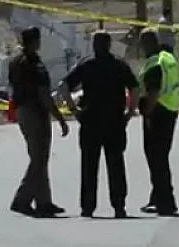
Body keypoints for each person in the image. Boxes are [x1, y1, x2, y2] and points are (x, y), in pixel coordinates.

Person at [57, 31, 138, 219]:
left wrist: (74, 110)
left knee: (89, 165)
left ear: (94, 45)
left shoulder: (87, 64)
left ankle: (88, 206)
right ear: (109, 45)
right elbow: (134, 87)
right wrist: (130, 111)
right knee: (116, 164)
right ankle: (119, 205)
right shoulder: (118, 64)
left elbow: (63, 86)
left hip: (90, 121)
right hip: (114, 121)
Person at [8, 27, 70, 218]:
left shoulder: (15, 62)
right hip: (35, 112)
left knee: (37, 156)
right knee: (39, 158)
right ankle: (22, 199)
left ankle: (43, 201)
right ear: (35, 42)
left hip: (22, 111)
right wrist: (59, 118)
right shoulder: (35, 64)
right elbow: (43, 94)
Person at [137, 28, 179, 216]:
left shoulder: (154, 64)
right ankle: (156, 197)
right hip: (170, 109)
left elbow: (153, 92)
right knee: (161, 157)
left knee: (156, 159)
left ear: (146, 44)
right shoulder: (168, 58)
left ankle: (166, 202)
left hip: (158, 112)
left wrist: (147, 113)